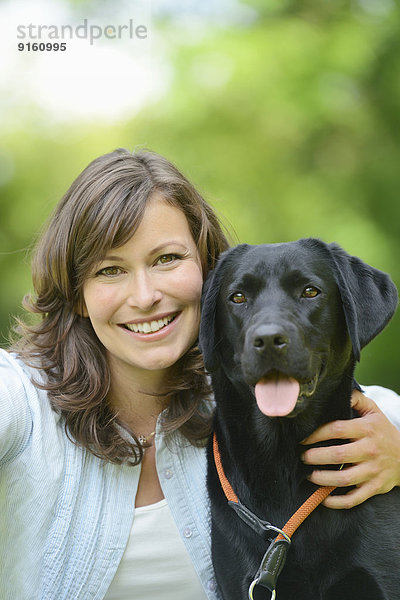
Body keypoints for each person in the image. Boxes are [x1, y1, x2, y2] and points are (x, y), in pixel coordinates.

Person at [1, 148, 399, 600]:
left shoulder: (235, 397)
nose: (145, 295)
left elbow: (373, 406)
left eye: (167, 259)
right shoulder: (23, 400)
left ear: (205, 270)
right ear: (78, 294)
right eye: (110, 270)